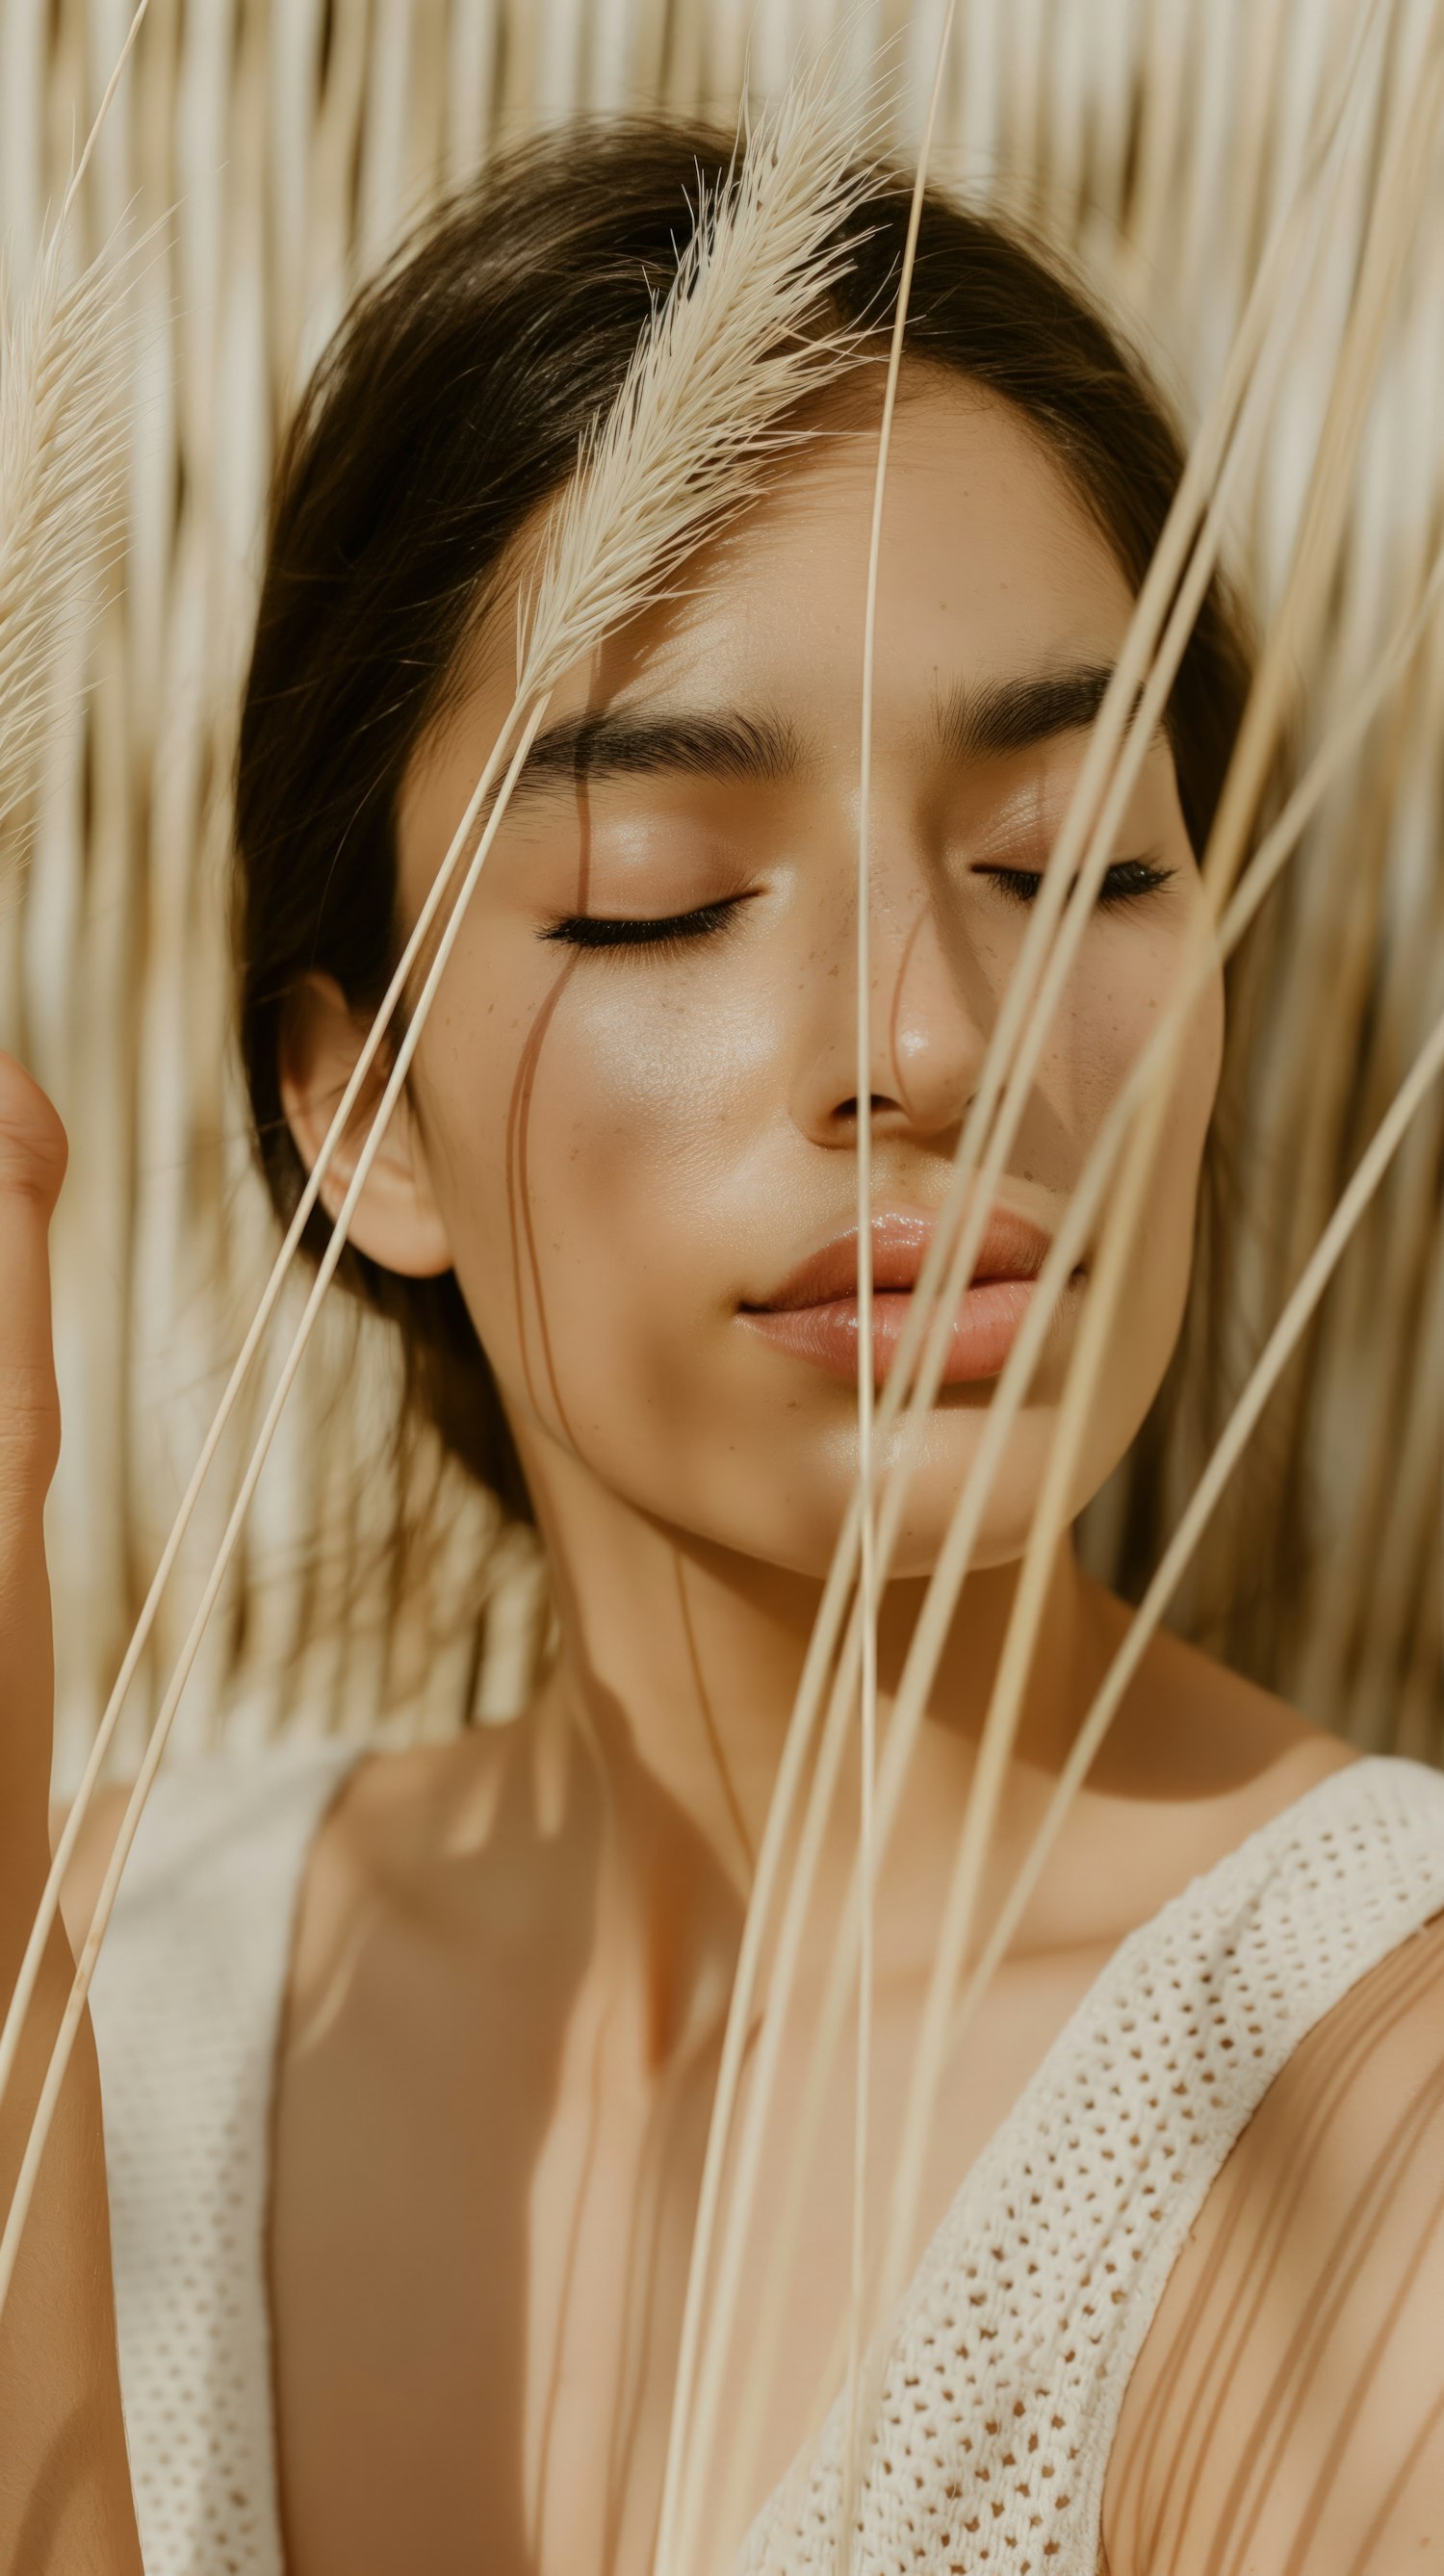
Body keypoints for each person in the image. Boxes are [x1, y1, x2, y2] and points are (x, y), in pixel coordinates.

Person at [3, 121, 1443, 2576]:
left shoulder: (1361, 2115)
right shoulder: (125, 1969)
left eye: (1071, 862)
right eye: (662, 903)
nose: (933, 1039)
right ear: (367, 1119)